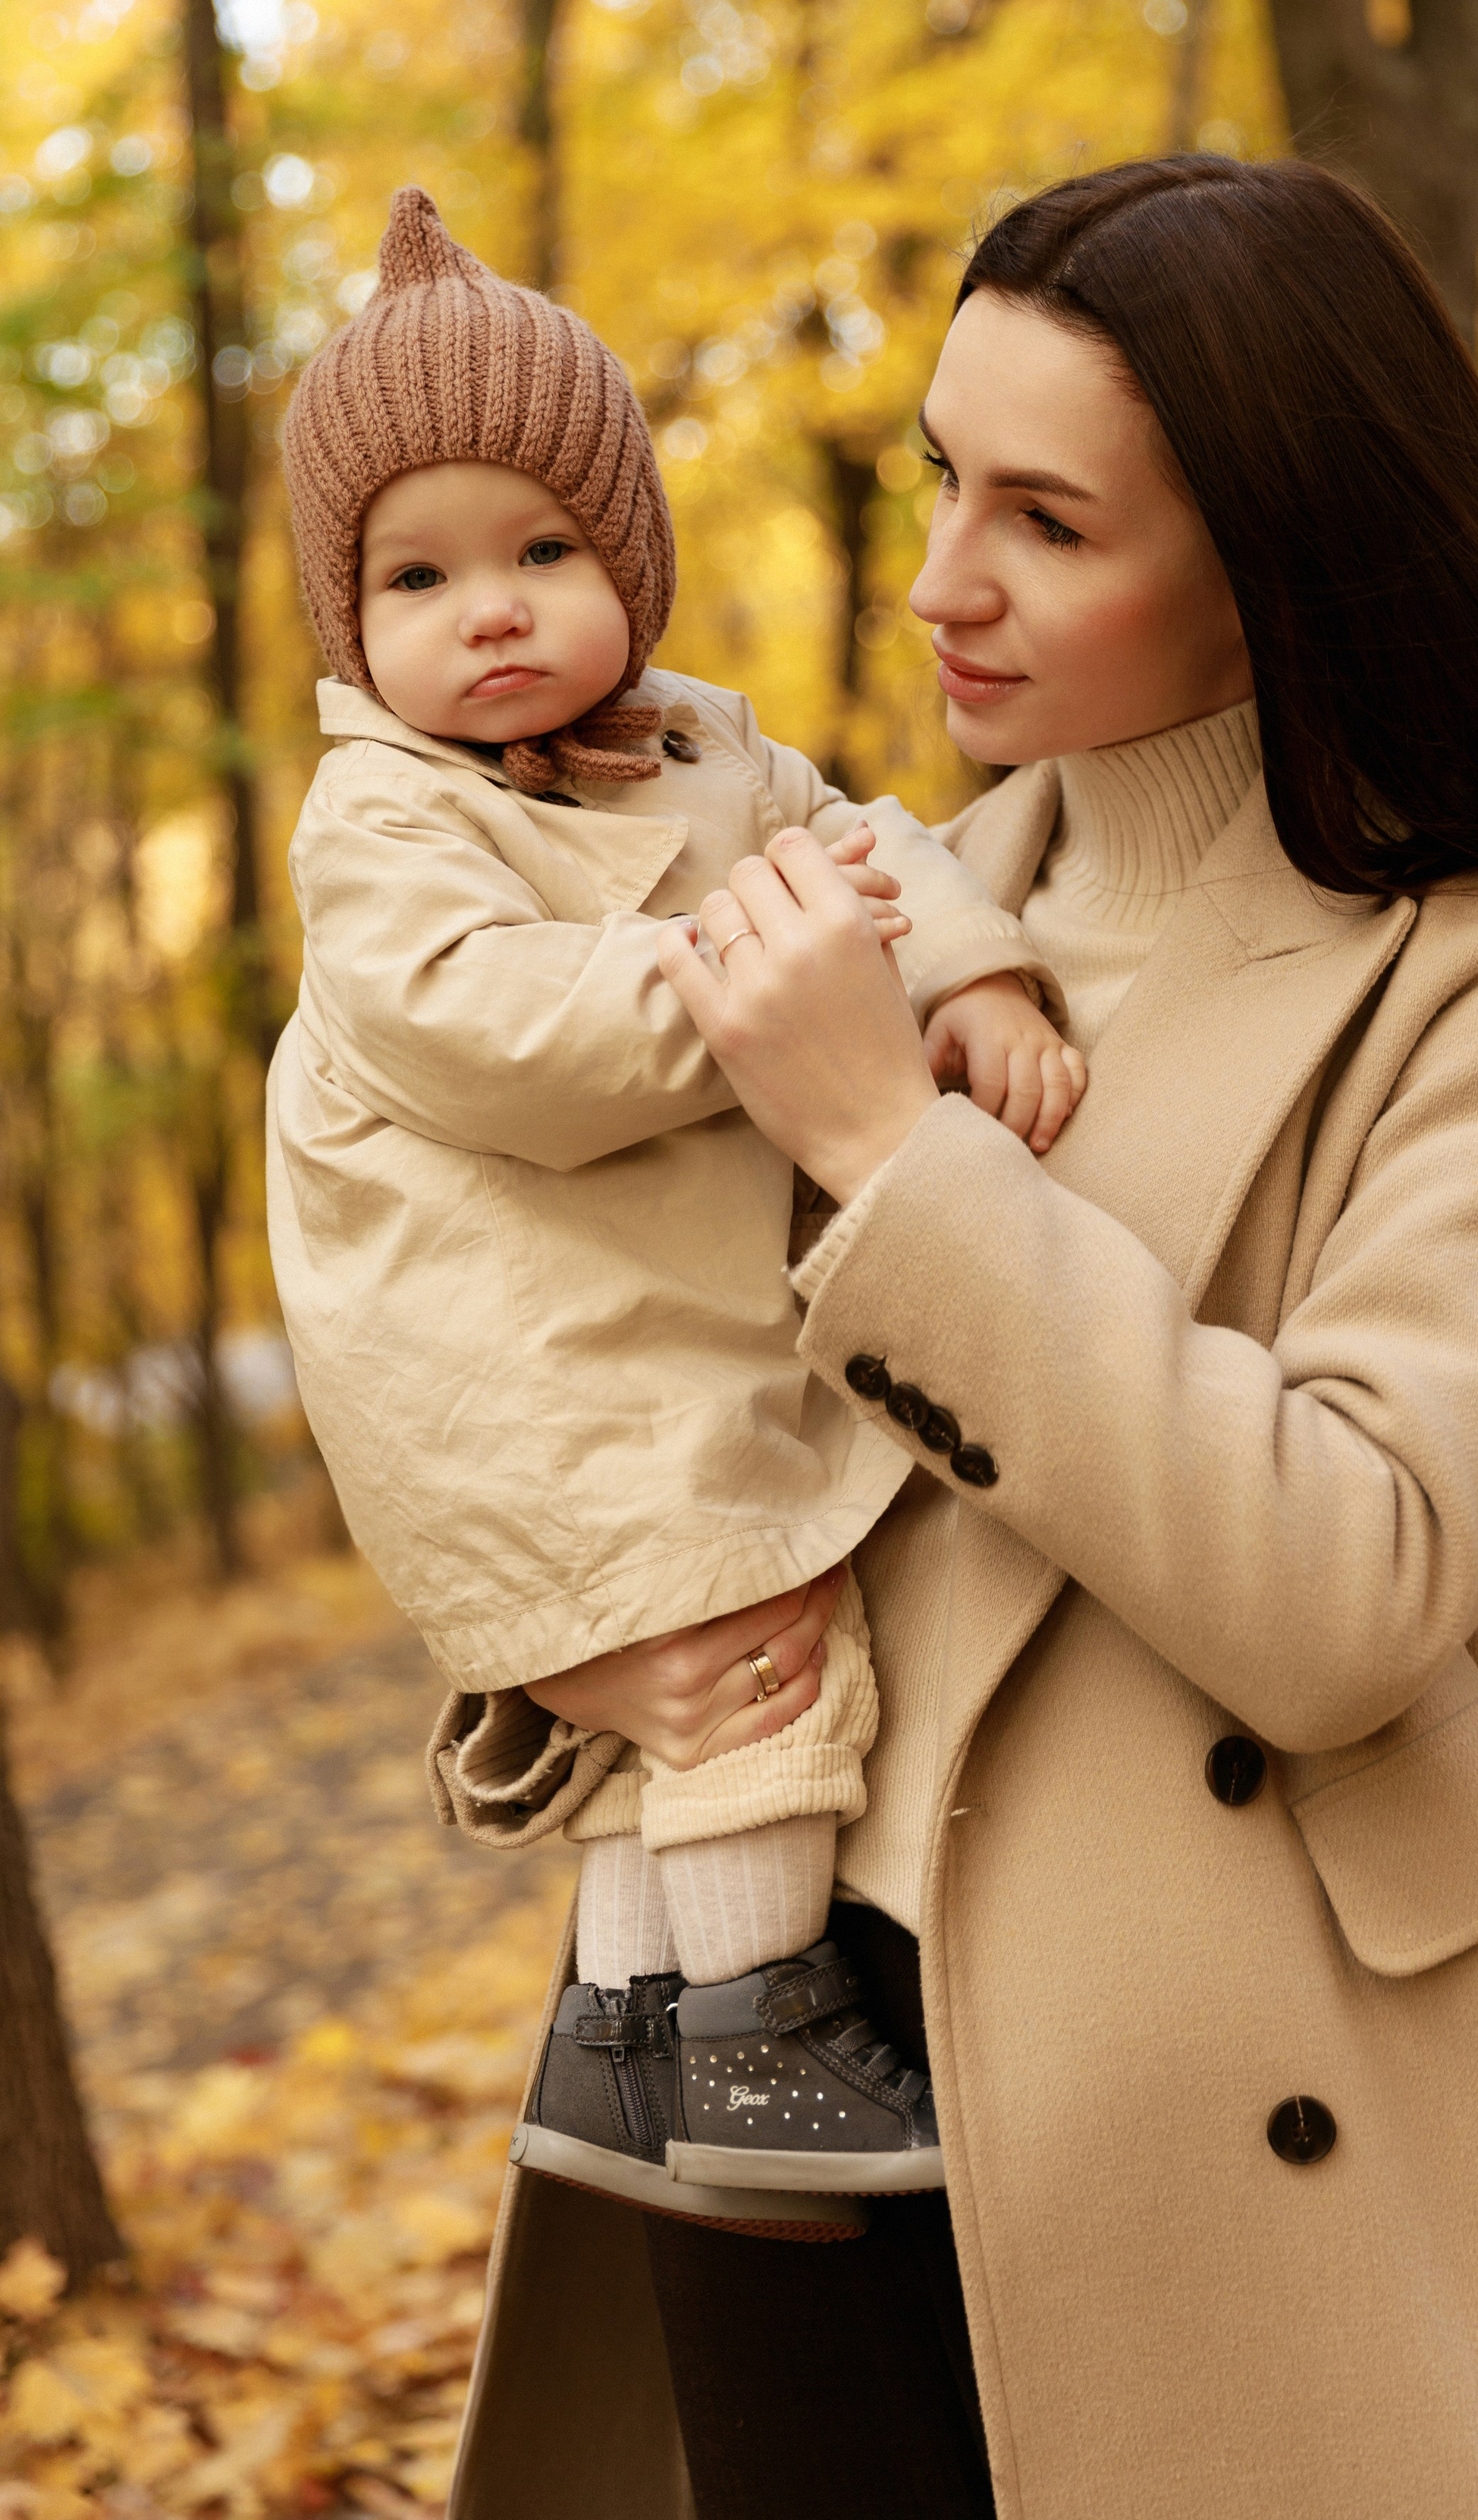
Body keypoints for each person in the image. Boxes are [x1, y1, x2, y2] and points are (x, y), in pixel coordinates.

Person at [444, 154, 1478, 2520]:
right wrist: (569, 1667)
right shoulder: (895, 894)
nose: (943, 575)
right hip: (779, 2070)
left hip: (1262, 2142)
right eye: (947, 474)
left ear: (1282, 554)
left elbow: (1355, 1588)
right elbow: (608, 1390)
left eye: (1050, 520)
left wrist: (898, 1154)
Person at [266, 187, 1087, 2235]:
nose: (495, 611)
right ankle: (757, 2033)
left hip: (655, 1318)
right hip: (512, 1357)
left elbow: (876, 843)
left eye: (547, 550)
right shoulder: (383, 815)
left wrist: (971, 964)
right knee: (747, 1632)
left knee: (700, 1670)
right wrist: (763, 977)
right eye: (423, 574)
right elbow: (491, 1039)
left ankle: (626, 2042)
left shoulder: (705, 743)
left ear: (627, 559)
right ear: (346, 619)